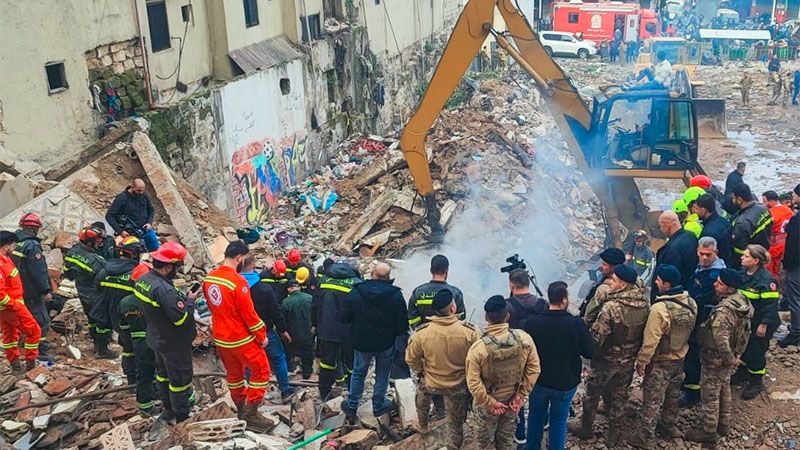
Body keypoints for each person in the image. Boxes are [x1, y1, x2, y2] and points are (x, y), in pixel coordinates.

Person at [572, 265, 648, 445]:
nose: (610, 283)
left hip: (607, 359)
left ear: (622, 286)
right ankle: (614, 433)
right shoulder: (644, 303)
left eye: (614, 280)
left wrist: (588, 354)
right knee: (620, 395)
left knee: (592, 392)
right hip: (629, 358)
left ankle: (586, 428)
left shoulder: (611, 308)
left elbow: (598, 338)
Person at [203, 241, 275, 431]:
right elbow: (249, 314)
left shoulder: (210, 278)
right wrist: (261, 335)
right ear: (239, 258)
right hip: (240, 338)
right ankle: (251, 413)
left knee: (234, 375)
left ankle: (241, 408)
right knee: (261, 371)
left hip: (221, 337)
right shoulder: (238, 282)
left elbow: (213, 308)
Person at [628, 265, 697, 448]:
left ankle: (645, 437)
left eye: (658, 280)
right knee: (673, 396)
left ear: (666, 284)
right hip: (680, 358)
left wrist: (642, 362)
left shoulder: (659, 309)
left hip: (661, 362)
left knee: (652, 400)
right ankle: (668, 425)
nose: (656, 282)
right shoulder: (690, 302)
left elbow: (651, 340)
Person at [685, 269, 753, 444]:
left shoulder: (723, 311)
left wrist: (730, 359)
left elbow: (720, 339)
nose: (715, 284)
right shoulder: (742, 302)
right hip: (730, 356)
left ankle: (709, 430)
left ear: (730, 289)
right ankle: (723, 425)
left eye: (720, 283)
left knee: (710, 395)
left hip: (715, 358)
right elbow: (745, 332)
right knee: (724, 390)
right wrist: (737, 355)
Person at [524, 281, 593, 450]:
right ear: (564, 300)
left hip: (538, 380)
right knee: (559, 421)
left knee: (535, 416)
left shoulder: (533, 322)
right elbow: (589, 352)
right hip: (565, 382)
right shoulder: (575, 323)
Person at [406, 289, 478, 447]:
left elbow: (411, 359)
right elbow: (478, 359)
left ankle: (423, 425)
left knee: (422, 396)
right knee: (456, 423)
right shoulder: (469, 332)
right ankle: (454, 445)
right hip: (458, 385)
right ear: (453, 308)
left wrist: (422, 370)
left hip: (431, 382)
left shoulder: (421, 333)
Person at [466, 295, 540, 450]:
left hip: (488, 406)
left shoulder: (478, 348)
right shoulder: (524, 339)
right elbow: (534, 369)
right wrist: (520, 396)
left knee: (484, 444)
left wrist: (490, 403)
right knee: (506, 442)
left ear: (486, 317)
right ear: (507, 316)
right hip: (512, 403)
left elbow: (473, 382)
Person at [134, 242, 197, 424]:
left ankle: (168, 410)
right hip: (174, 344)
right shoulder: (165, 290)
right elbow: (181, 320)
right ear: (168, 267)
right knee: (180, 381)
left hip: (157, 338)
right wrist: (190, 302)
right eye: (176, 267)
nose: (177, 270)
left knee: (162, 375)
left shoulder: (143, 281)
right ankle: (182, 416)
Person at [341, 262, 408, 421]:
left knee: (358, 373)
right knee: (383, 373)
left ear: (372, 273)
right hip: (385, 343)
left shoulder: (356, 292)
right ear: (388, 277)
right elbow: (402, 326)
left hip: (362, 342)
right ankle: (378, 405)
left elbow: (345, 317)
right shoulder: (395, 295)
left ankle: (352, 404)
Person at [681, 237, 726, 406]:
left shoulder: (715, 274)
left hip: (702, 322)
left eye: (709, 254)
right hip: (697, 318)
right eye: (702, 254)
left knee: (694, 356)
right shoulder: (701, 268)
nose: (705, 258)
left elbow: (702, 298)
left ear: (716, 253)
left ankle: (693, 393)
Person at [94, 236, 146, 382]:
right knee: (134, 349)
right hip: (130, 318)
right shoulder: (135, 276)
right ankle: (138, 380)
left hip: (109, 316)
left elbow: (96, 288)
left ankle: (130, 377)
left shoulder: (104, 271)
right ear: (135, 254)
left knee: (127, 348)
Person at [244, 255, 295, 402]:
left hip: (245, 333)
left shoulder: (235, 288)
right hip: (264, 330)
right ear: (253, 266)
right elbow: (275, 311)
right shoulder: (264, 288)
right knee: (278, 358)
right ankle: (285, 390)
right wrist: (283, 329)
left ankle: (253, 395)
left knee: (249, 364)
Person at [736, 245, 780, 400]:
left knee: (756, 351)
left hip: (760, 323)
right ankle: (743, 372)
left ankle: (756, 381)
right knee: (744, 347)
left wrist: (764, 324)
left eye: (747, 256)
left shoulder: (766, 280)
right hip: (747, 321)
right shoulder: (742, 273)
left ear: (756, 260)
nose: (742, 257)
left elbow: (771, 306)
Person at [312, 260, 362, 399]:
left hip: (326, 328)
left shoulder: (324, 280)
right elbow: (360, 308)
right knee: (351, 362)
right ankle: (353, 392)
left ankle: (324, 392)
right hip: (349, 330)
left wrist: (315, 324)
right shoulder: (356, 283)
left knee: (327, 361)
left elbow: (315, 304)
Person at [64, 225, 111, 358]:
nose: (100, 243)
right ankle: (103, 350)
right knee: (103, 322)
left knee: (91, 319)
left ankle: (96, 343)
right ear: (90, 242)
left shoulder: (71, 253)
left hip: (82, 292)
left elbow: (68, 274)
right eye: (97, 241)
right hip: (96, 294)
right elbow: (104, 280)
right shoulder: (96, 261)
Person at [12, 213, 53, 360]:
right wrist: (45, 290)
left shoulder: (13, 243)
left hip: (16, 289)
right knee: (41, 320)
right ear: (33, 229)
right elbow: (38, 271)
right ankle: (41, 351)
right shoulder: (32, 245)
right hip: (31, 291)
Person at [118, 256, 156, 414]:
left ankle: (145, 408)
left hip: (138, 344)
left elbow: (123, 327)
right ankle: (169, 402)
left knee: (144, 375)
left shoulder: (126, 302)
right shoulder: (155, 297)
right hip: (156, 341)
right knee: (164, 372)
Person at [0, 231, 40, 373]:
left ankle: (15, 365)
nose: (14, 248)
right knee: (34, 331)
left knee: (10, 335)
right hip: (11, 307)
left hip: (7, 308)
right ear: (6, 246)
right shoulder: (1, 263)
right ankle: (30, 364)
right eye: (13, 245)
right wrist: (14, 304)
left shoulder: (6, 259)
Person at [407, 255, 465, 329]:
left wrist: (423, 331)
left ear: (431, 270)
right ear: (446, 271)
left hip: (425, 338)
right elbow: (461, 317)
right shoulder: (455, 293)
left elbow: (412, 319)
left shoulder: (418, 292)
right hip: (450, 337)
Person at [652, 211, 699, 300]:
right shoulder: (690, 236)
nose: (661, 230)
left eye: (661, 226)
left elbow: (669, 280)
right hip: (687, 291)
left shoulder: (673, 249)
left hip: (671, 299)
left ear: (667, 226)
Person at [105, 179, 159, 251]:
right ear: (132, 187)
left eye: (143, 190)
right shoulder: (122, 198)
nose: (141, 193)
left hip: (146, 230)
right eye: (139, 190)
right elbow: (109, 216)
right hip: (130, 234)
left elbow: (151, 210)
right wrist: (120, 231)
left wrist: (149, 222)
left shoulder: (144, 195)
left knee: (156, 250)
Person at [730, 183, 773, 268]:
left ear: (739, 199)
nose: (732, 201)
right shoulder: (764, 209)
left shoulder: (742, 223)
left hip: (751, 262)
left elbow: (739, 252)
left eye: (733, 198)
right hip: (763, 253)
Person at [581, 247, 626, 325]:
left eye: (604, 264)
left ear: (614, 267)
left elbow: (589, 316)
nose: (601, 267)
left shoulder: (604, 289)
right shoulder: (628, 280)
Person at [779, 185, 800, 347]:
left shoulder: (796, 221)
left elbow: (792, 246)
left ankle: (795, 333)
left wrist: (787, 264)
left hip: (796, 266)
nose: (792, 196)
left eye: (795, 194)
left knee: (795, 299)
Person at [283, 271, 314, 379]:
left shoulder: (286, 302)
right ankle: (307, 373)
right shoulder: (310, 298)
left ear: (289, 289)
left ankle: (290, 372)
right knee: (307, 353)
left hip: (293, 335)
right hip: (308, 332)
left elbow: (283, 320)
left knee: (290, 353)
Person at [693, 194, 733, 265]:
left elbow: (706, 257)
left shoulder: (708, 234)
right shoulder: (724, 221)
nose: (695, 212)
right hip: (728, 262)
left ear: (704, 210)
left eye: (697, 209)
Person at [762, 190, 793, 278]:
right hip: (786, 242)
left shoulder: (770, 213)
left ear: (771, 201)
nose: (763, 204)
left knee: (772, 267)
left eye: (765, 201)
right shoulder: (787, 210)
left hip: (774, 245)